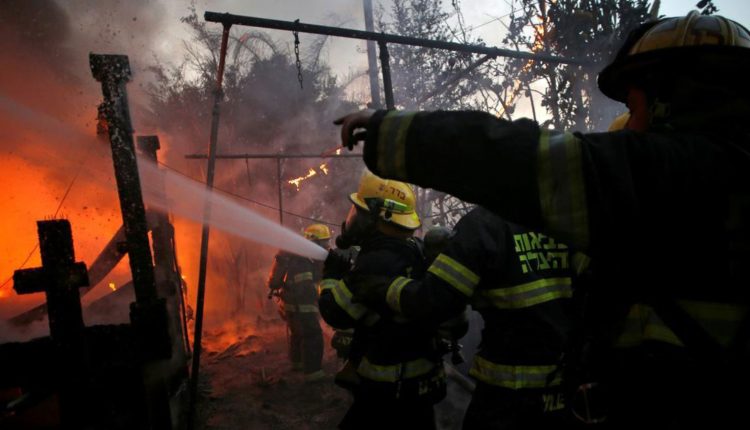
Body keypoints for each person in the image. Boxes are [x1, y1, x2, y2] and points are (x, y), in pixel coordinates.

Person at [334, 11, 750, 428]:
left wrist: (395, 134)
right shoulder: (707, 180)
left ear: (668, 97)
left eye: (632, 104)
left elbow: (524, 164)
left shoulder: (673, 172)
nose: (631, 126)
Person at [352, 205, 578, 430]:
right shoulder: (572, 221)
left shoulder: (484, 226)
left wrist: (383, 287)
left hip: (508, 397)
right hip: (571, 391)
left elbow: (434, 301)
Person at [318, 171, 452, 430]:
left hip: (387, 390)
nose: (354, 219)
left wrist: (331, 277)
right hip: (422, 382)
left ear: (379, 217)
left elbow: (335, 313)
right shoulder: (415, 248)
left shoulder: (375, 262)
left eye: (360, 212)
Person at [267, 223, 330, 382]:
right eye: (324, 241)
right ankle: (313, 374)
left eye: (327, 241)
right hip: (302, 305)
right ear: (314, 242)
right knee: (312, 335)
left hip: (291, 305)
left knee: (297, 334)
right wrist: (321, 298)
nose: (327, 245)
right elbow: (305, 288)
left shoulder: (301, 256)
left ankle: (297, 363)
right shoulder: (303, 261)